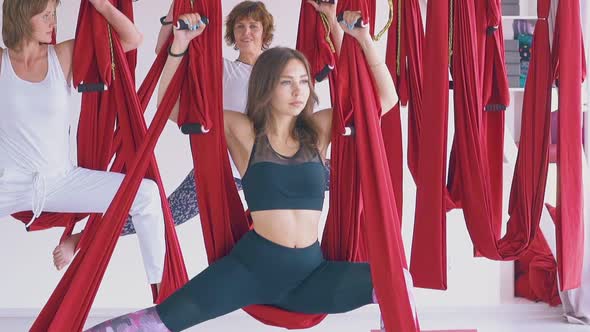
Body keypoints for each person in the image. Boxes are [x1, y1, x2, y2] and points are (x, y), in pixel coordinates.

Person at [85, 9, 416, 332]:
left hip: (312, 276)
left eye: (303, 81)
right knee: (152, 323)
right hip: (250, 271)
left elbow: (384, 100)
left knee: (398, 283)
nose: (299, 90)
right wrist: (179, 46)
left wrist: (361, 39)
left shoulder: (319, 128)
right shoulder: (242, 130)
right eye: (287, 82)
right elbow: (171, 108)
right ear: (266, 86)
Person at [119, 0, 339, 236]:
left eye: (253, 26)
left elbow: (349, 75)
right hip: (228, 169)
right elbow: (165, 59)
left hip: (283, 163)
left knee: (353, 181)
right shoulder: (219, 70)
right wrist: (174, 16)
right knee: (168, 215)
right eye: (240, 27)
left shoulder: (285, 70)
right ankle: (89, 238)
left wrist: (332, 20)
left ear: (264, 31)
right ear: (232, 34)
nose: (246, 33)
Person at [0, 0, 166, 288]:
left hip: (60, 180)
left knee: (147, 195)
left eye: (54, 14)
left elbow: (131, 40)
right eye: (46, 15)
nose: (53, 22)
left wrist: (103, 6)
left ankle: (162, 291)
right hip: (8, 183)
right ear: (22, 17)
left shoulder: (63, 55)